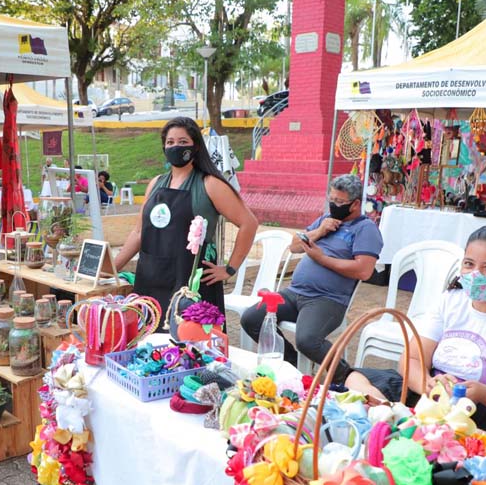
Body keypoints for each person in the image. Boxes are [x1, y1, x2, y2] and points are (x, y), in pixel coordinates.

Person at [345, 225, 486, 476]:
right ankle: (389, 416)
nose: (475, 274)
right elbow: (412, 359)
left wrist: (484, 394)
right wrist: (428, 384)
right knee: (350, 379)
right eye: (469, 264)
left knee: (440, 469)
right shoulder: (451, 301)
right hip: (438, 400)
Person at [114, 116, 258, 319]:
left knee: (188, 347)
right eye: (170, 142)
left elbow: (248, 223)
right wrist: (112, 269)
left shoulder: (210, 184)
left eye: (183, 142)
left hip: (191, 286)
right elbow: (138, 232)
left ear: (196, 146)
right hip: (151, 281)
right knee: (149, 345)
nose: (175, 147)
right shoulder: (155, 184)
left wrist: (229, 269)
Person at [240, 174, 382, 380]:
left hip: (326, 300)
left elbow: (363, 270)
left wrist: (322, 259)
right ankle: (293, 363)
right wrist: (319, 231)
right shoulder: (326, 219)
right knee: (252, 318)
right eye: (331, 200)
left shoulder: (365, 229)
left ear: (356, 204)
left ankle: (346, 375)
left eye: (340, 202)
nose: (334, 205)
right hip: (294, 292)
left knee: (307, 340)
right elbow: (295, 246)